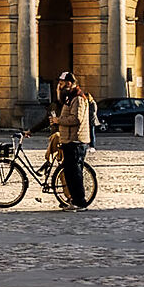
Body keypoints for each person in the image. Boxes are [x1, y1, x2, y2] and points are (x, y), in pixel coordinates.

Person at [47, 72, 96, 208]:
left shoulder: (78, 98)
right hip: (69, 140)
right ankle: (74, 200)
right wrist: (58, 91)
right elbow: (60, 101)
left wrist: (58, 120)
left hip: (76, 141)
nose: (59, 85)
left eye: (61, 83)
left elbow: (76, 119)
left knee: (75, 174)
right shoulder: (70, 97)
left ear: (69, 83)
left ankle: (80, 202)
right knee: (69, 172)